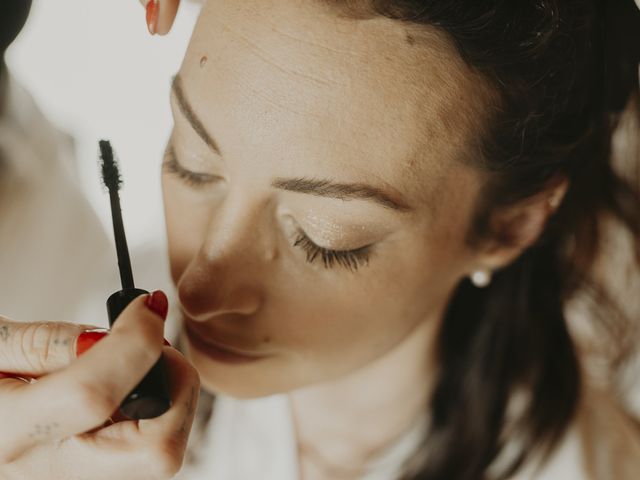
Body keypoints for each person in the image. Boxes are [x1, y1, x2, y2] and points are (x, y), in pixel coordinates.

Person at [1, 1, 639, 480]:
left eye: (323, 238)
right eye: (193, 163)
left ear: (508, 225)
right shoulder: (69, 323)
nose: (197, 286)